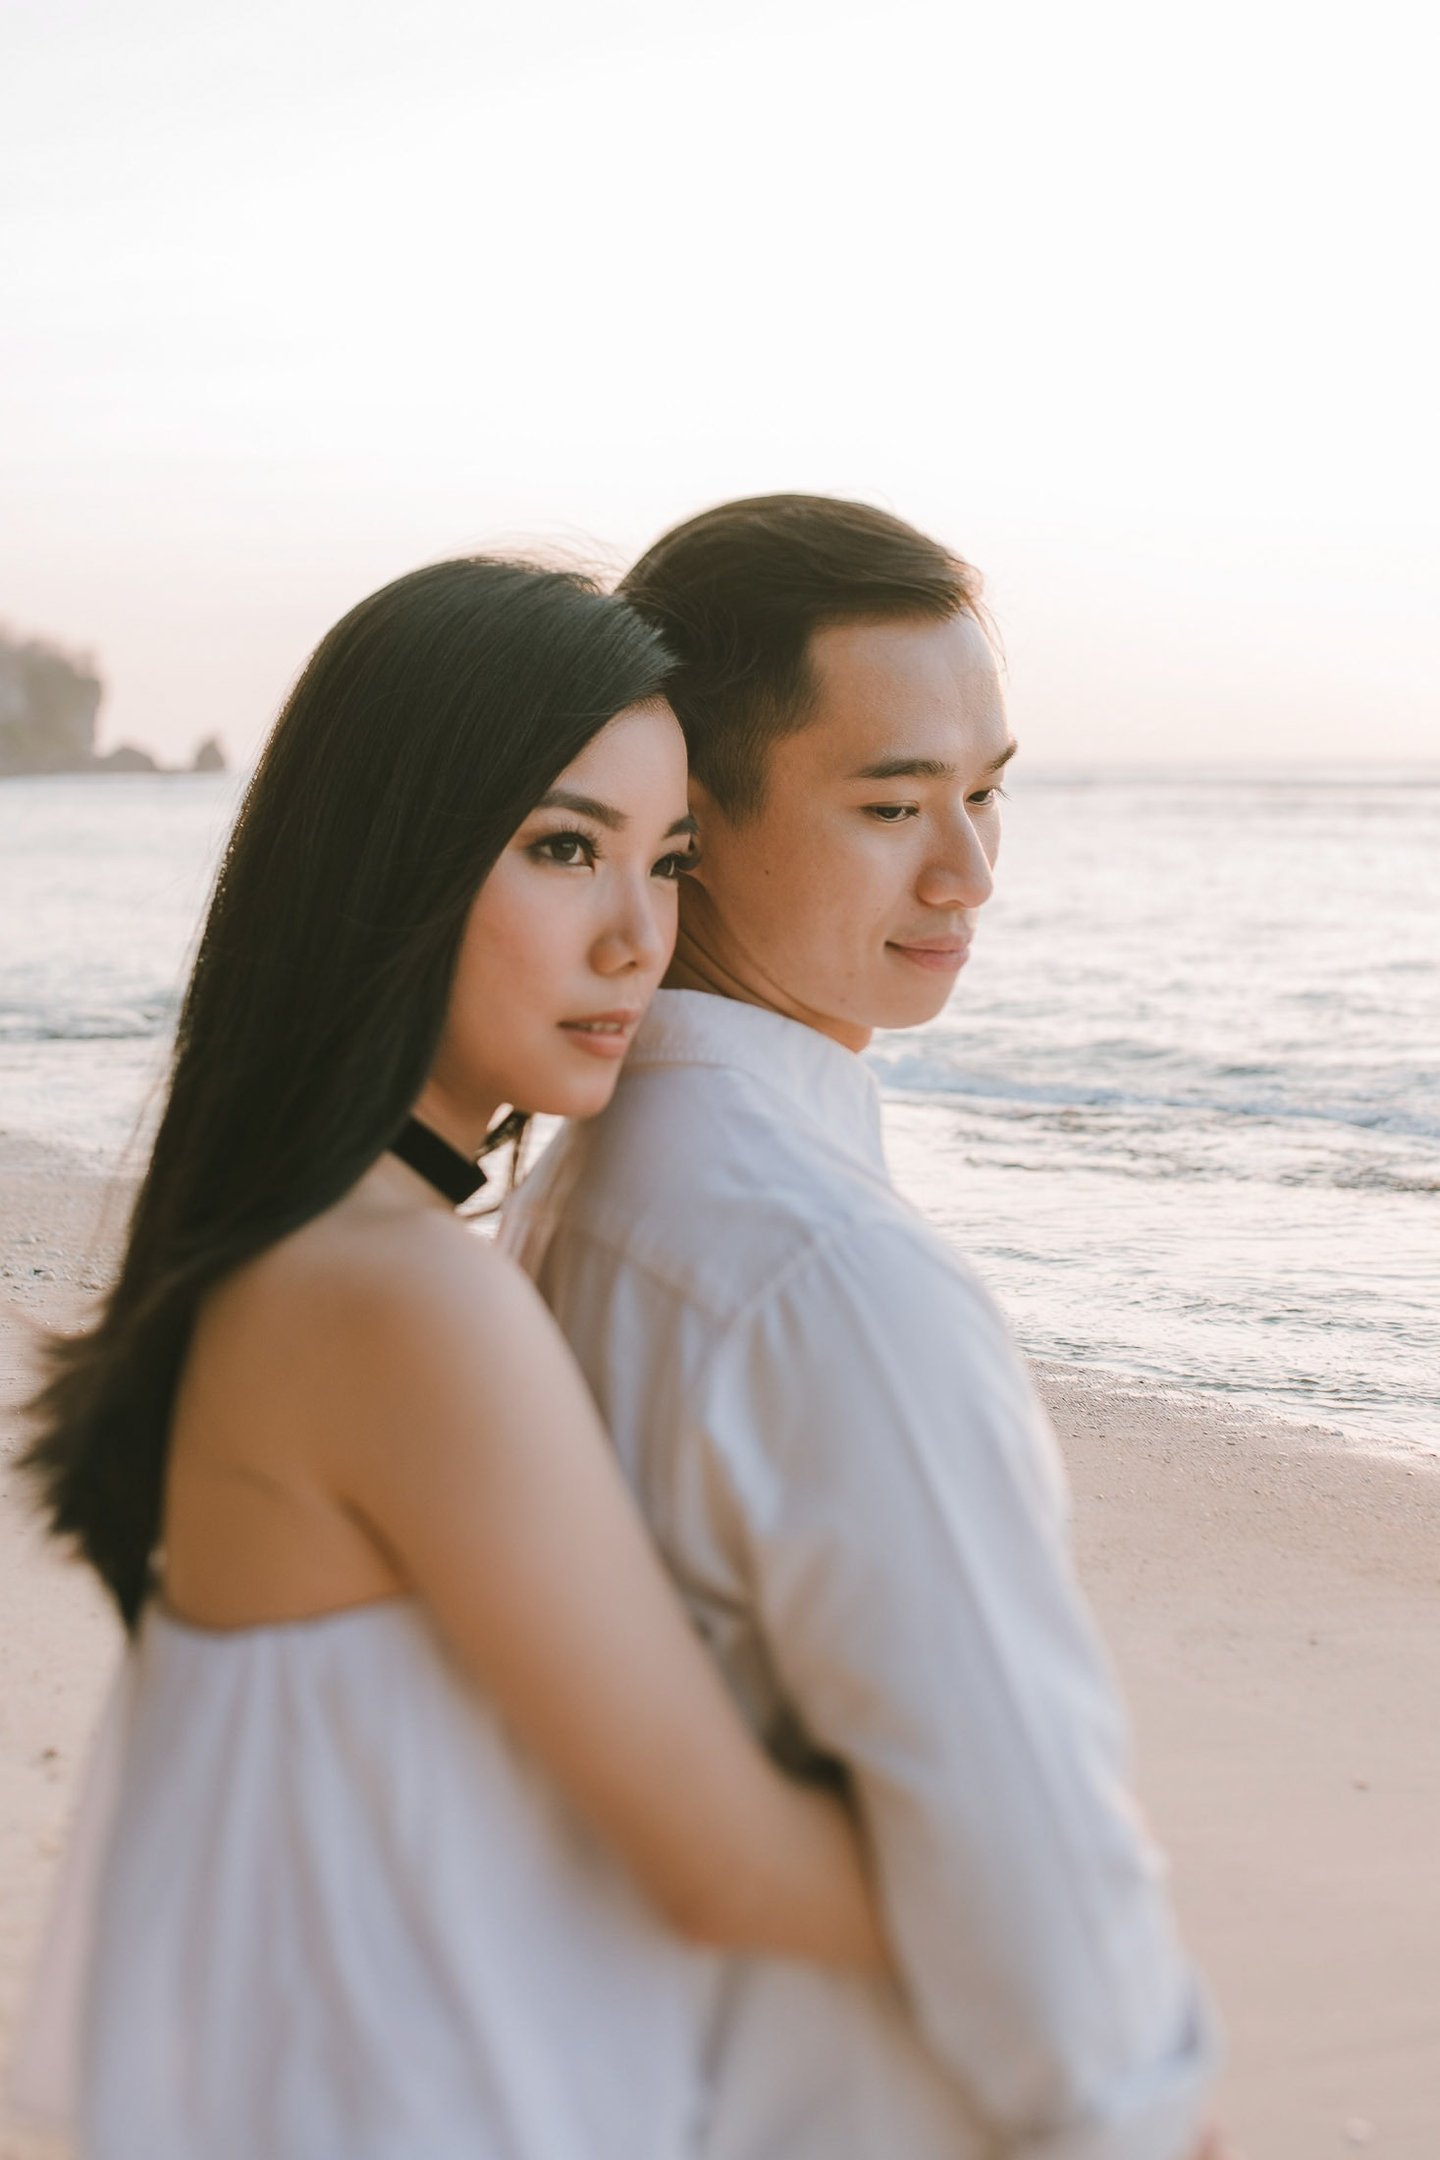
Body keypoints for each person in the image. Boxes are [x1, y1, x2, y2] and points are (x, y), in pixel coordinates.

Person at [10, 557, 889, 2160]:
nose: (638, 938)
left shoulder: (292, 1253)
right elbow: (725, 1863)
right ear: (392, 864)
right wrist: (1067, 1940)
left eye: (670, 859)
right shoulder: (397, 1299)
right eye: (565, 848)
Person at [502, 496, 1228, 2160]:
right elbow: (1027, 1879)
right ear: (694, 814)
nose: (968, 870)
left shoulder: (584, 1178)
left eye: (986, 794)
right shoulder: (822, 1279)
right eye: (893, 802)